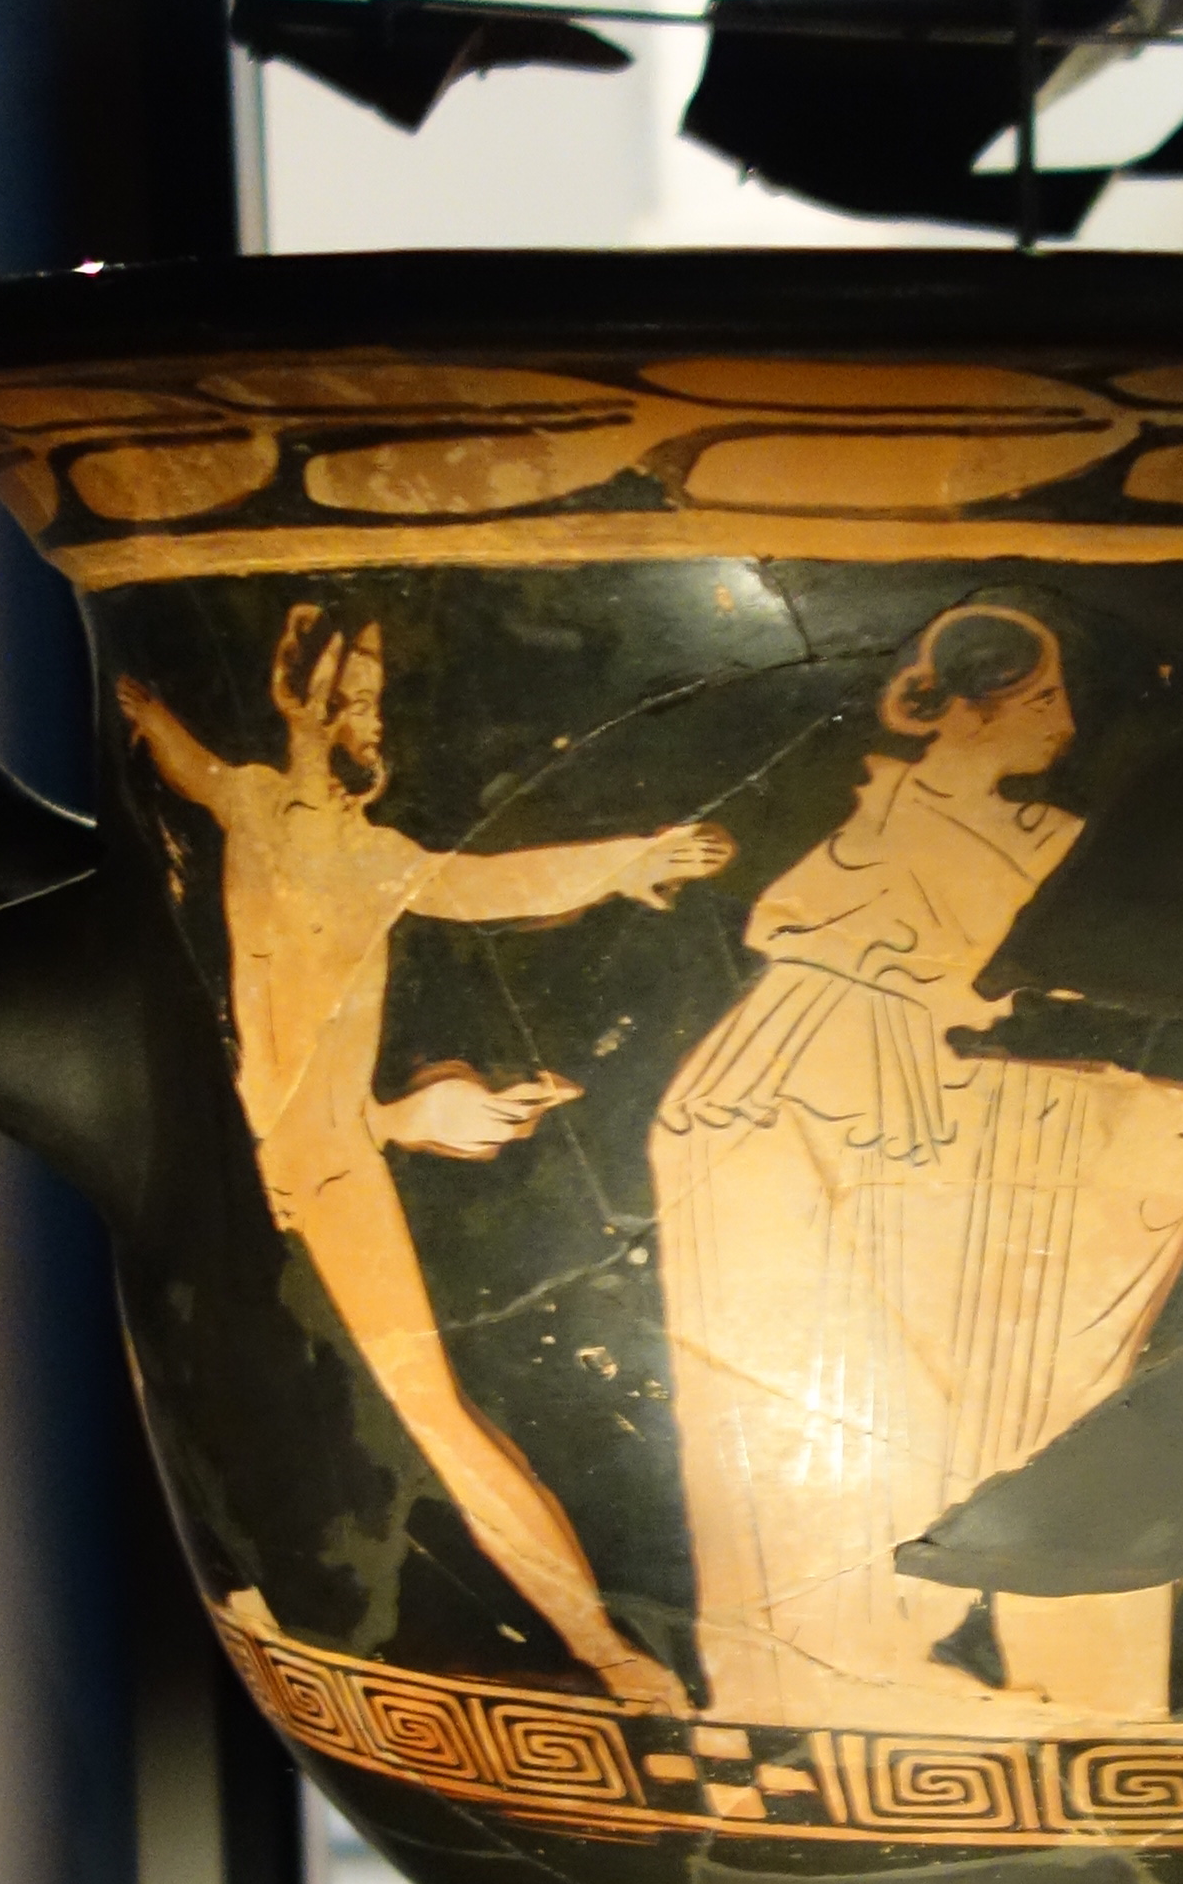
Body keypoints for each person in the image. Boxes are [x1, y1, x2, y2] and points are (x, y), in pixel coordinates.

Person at [120, 604, 728, 1708]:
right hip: (236, 1151)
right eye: (352, 699)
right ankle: (255, 1597)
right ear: (298, 698)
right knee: (231, 1377)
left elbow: (493, 885)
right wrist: (143, 708)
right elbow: (177, 756)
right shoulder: (251, 802)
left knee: (432, 1409)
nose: (371, 727)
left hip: (333, 1159)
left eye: (376, 705)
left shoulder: (378, 858)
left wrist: (626, 862)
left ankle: (603, 1649)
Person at [648, 603, 1183, 1724]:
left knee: (1167, 1134)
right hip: (804, 1106)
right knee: (848, 1377)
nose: (1063, 725)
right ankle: (845, 1655)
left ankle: (937, 1636)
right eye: (1042, 700)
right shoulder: (887, 824)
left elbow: (1154, 924)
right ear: (969, 709)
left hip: (911, 1105)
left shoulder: (1034, 834)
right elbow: (905, 957)